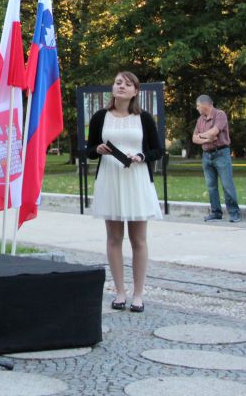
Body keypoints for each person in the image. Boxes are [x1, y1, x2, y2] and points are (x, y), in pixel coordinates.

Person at [87, 72, 162, 313]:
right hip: (110, 178)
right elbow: (88, 149)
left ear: (135, 92)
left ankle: (138, 294)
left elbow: (157, 150)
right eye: (118, 82)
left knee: (138, 239)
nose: (121, 86)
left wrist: (141, 156)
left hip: (136, 178)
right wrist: (97, 149)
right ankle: (119, 292)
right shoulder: (100, 117)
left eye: (127, 84)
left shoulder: (143, 118)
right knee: (113, 238)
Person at [192, 94, 241, 223]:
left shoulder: (220, 115)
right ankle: (216, 212)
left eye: (198, 105)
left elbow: (214, 131)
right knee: (211, 186)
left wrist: (203, 136)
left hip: (221, 154)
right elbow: (194, 138)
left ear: (205, 104)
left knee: (227, 184)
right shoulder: (200, 120)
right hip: (206, 155)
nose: (197, 108)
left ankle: (234, 213)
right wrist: (207, 138)